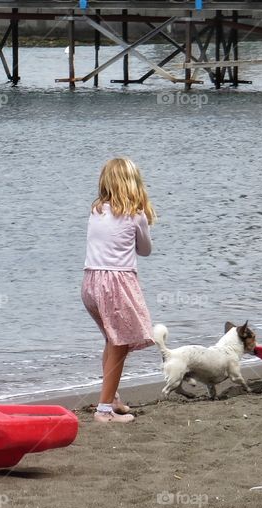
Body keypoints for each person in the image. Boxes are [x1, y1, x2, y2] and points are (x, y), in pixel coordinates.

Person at [81, 157, 156, 423]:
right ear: (134, 184)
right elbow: (145, 251)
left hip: (90, 283)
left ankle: (111, 398)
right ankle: (104, 410)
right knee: (120, 342)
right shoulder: (135, 215)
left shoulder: (96, 210)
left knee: (112, 339)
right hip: (116, 284)